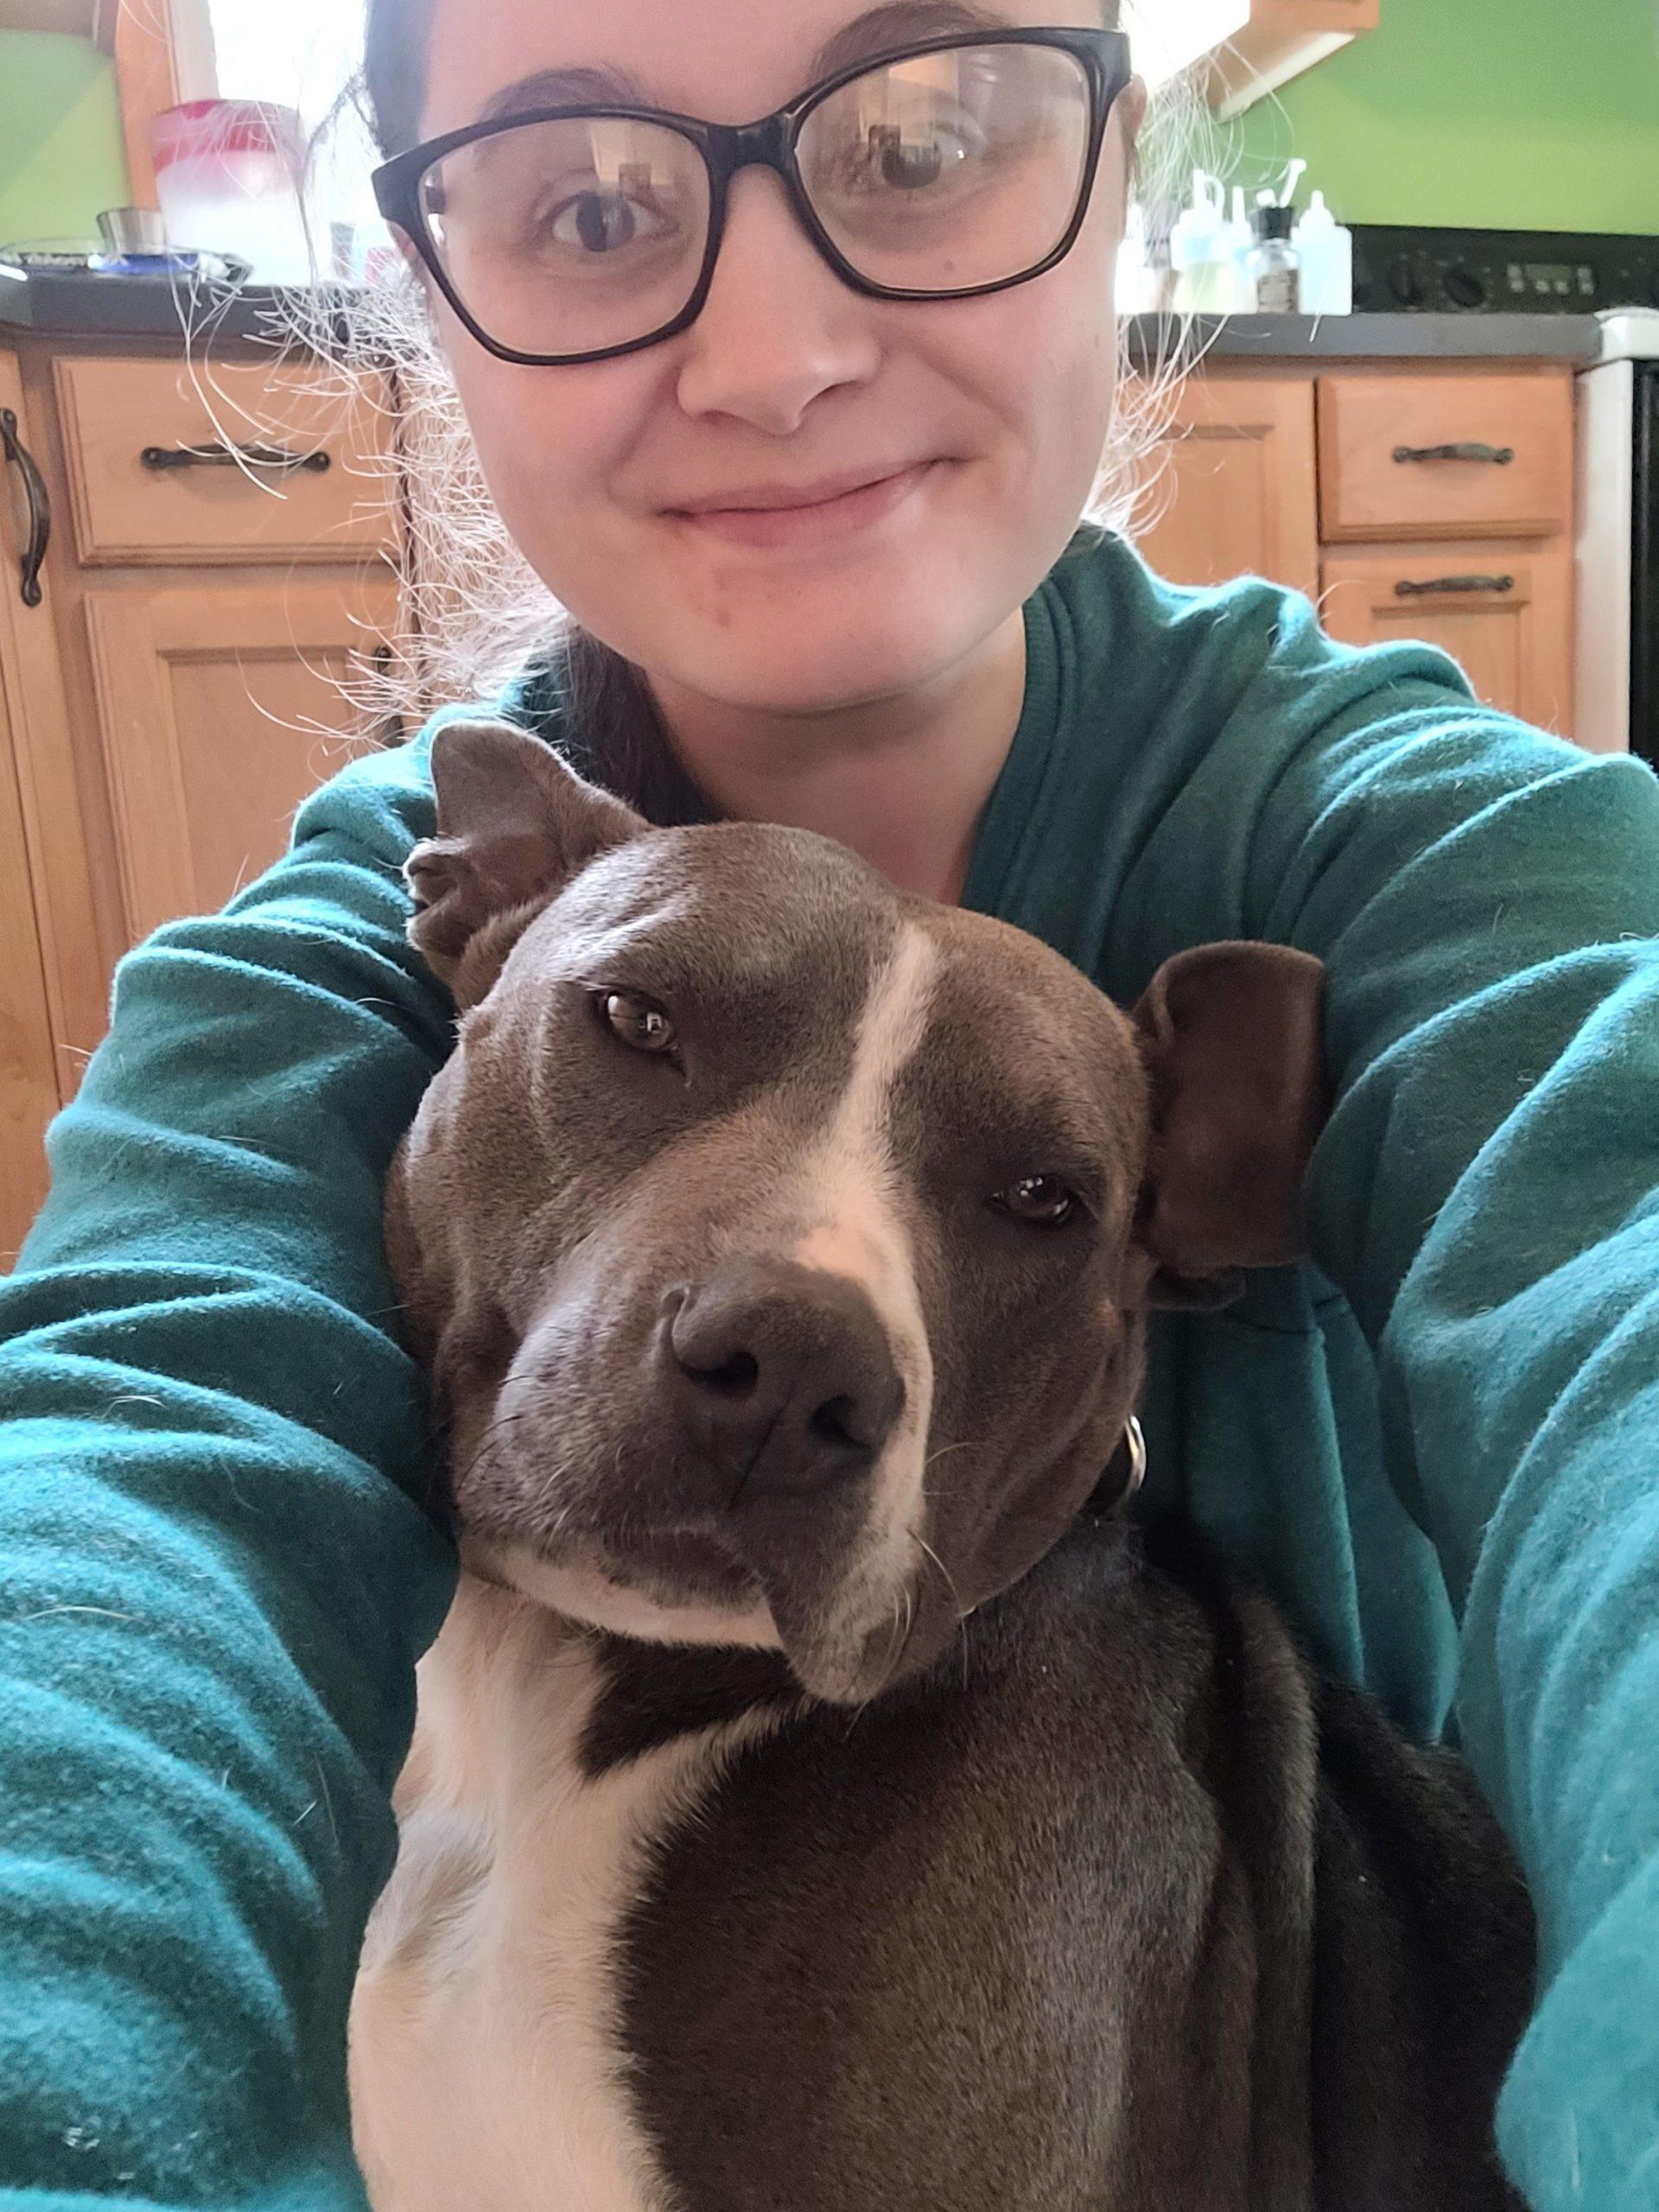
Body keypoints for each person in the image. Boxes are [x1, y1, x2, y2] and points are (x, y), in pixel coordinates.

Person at [1, 1, 1656, 2204]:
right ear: (432, 293)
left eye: (918, 142)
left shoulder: (1451, 864)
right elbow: (138, 1470)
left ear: (1112, 188)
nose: (773, 353)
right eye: (592, 201)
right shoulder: (337, 946)